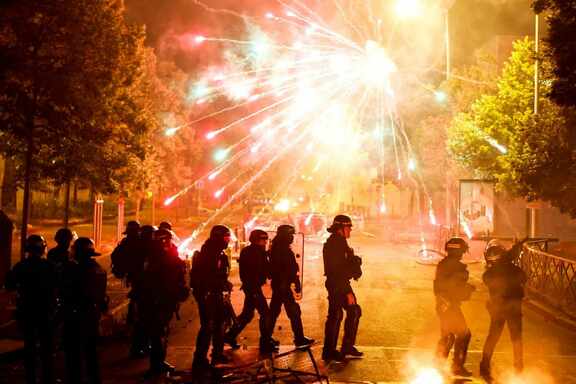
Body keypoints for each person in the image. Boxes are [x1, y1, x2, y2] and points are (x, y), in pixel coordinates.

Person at [5, 235, 57, 384]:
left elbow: (10, 285)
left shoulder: (20, 266)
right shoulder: (50, 266)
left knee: (30, 345)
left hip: (27, 310)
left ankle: (31, 377)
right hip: (46, 310)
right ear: (43, 249)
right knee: (47, 347)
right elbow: (58, 286)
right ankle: (48, 377)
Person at [139, 228, 188, 377]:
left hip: (163, 300)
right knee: (158, 333)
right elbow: (162, 280)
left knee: (161, 332)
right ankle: (156, 365)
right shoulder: (158, 258)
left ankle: (159, 362)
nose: (169, 243)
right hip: (159, 301)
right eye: (167, 240)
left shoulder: (161, 256)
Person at [61, 237, 108, 384]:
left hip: (74, 315)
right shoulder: (99, 269)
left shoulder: (72, 270)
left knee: (73, 352)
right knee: (91, 350)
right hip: (92, 315)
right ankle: (94, 378)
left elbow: (65, 291)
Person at [480, 240, 527, 381]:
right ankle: (518, 366)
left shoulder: (488, 274)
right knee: (516, 338)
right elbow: (523, 278)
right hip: (513, 308)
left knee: (493, 337)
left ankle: (484, 365)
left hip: (497, 308)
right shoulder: (513, 269)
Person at [224, 229, 277, 353]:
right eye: (262, 239)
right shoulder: (254, 252)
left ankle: (230, 335)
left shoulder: (253, 251)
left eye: (266, 239)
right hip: (253, 288)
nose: (265, 241)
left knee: (247, 315)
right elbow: (261, 270)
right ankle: (265, 342)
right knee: (265, 314)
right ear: (256, 239)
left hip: (252, 287)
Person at [190, 225, 234, 367]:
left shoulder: (218, 252)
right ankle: (200, 359)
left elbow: (219, 274)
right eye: (225, 237)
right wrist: (220, 284)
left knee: (220, 325)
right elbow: (207, 276)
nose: (227, 240)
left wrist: (225, 284)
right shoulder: (209, 253)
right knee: (207, 326)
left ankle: (217, 354)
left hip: (216, 293)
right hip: (208, 294)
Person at [322, 215, 363, 361]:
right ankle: (329, 351)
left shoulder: (340, 242)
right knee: (336, 315)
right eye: (348, 227)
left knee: (353, 311)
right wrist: (346, 292)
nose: (350, 230)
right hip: (337, 284)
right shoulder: (334, 245)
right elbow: (336, 270)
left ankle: (346, 347)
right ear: (341, 228)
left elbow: (345, 265)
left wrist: (354, 262)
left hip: (340, 283)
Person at [434, 237, 475, 376]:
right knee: (464, 334)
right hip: (450, 305)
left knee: (448, 335)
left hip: (443, 305)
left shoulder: (443, 264)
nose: (463, 254)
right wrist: (468, 289)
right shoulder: (456, 267)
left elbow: (441, 286)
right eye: (462, 251)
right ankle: (456, 366)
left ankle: (439, 363)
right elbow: (454, 287)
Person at [269, 225, 314, 348]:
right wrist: (289, 283)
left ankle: (266, 339)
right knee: (293, 312)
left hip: (282, 285)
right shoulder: (280, 249)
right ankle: (299, 339)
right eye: (290, 235)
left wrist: (294, 281)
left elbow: (290, 268)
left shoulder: (280, 248)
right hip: (282, 285)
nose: (292, 237)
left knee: (274, 312)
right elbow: (284, 269)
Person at [110, 220, 146, 357]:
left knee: (138, 312)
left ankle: (135, 335)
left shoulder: (126, 243)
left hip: (137, 281)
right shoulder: (143, 243)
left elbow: (116, 258)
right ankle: (138, 343)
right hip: (141, 282)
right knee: (142, 315)